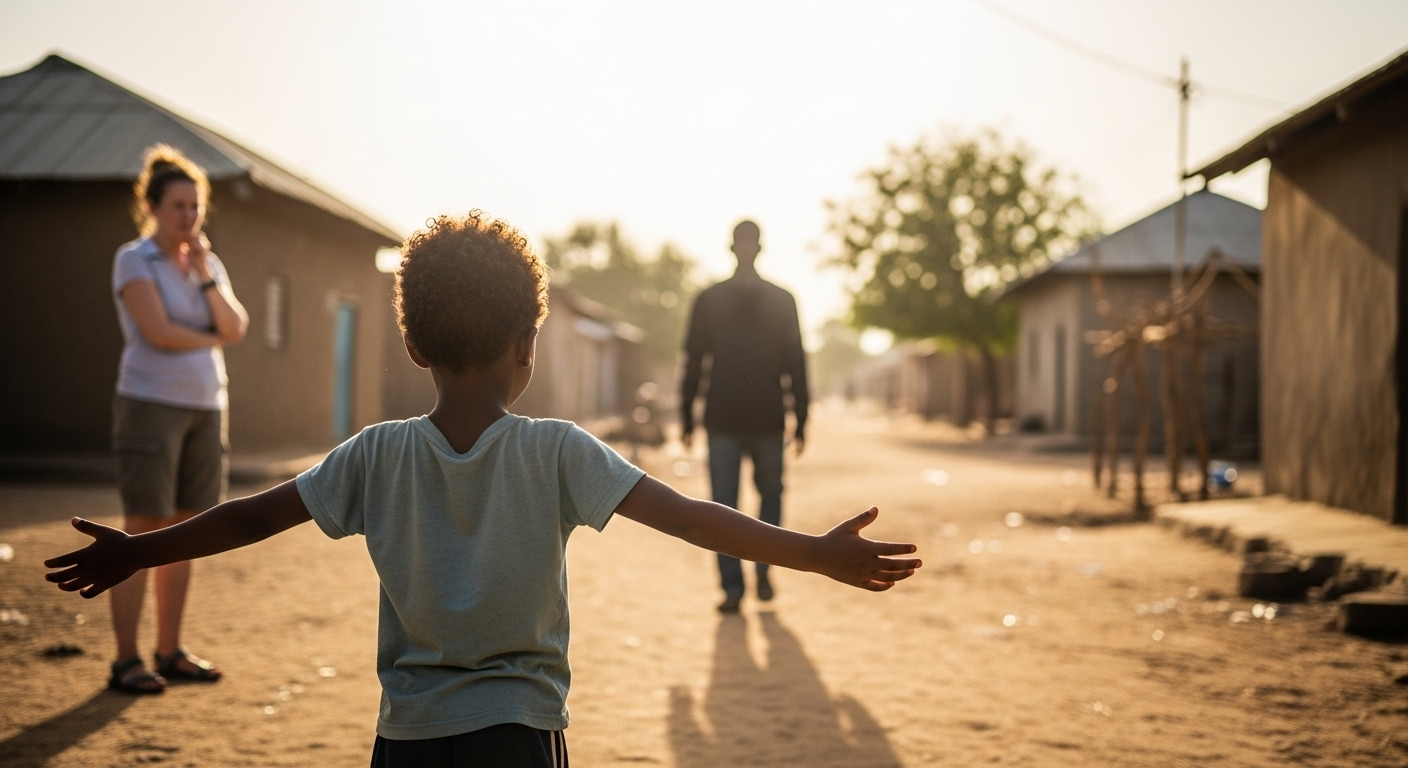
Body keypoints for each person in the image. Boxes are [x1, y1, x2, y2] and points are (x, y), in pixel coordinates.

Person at [45, 211, 920, 768]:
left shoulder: (375, 454)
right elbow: (695, 520)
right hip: (519, 732)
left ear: (415, 347)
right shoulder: (558, 453)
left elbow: (250, 519)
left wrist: (140, 549)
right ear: (527, 349)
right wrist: (811, 553)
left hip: (406, 739)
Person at [104, 144, 249, 693]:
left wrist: (207, 276)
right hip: (149, 405)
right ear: (154, 206)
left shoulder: (209, 264)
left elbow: (237, 327)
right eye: (178, 206)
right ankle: (125, 659)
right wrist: (210, 337)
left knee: (186, 533)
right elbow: (158, 333)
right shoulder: (132, 259)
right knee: (142, 528)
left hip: (208, 407)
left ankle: (169, 651)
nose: (188, 216)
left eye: (195, 206)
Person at [680, 220, 810, 613]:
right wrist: (687, 416)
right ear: (748, 248)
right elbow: (694, 363)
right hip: (744, 418)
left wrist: (801, 418)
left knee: (734, 504)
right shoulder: (776, 299)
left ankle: (749, 579)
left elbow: (796, 362)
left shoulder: (715, 298)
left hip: (745, 418)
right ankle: (743, 582)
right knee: (738, 505)